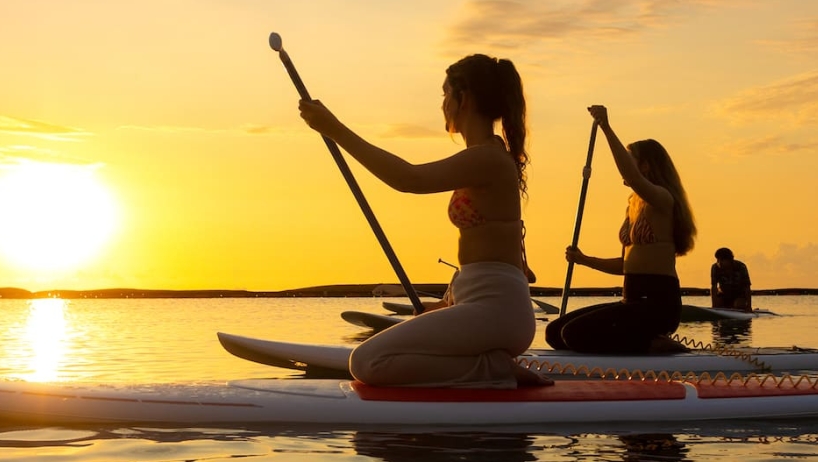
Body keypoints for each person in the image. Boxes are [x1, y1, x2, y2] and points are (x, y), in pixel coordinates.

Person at [297, 54, 550, 388]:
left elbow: (409, 179)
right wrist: (446, 305)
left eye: (446, 94)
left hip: (499, 311)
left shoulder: (487, 157)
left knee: (366, 361)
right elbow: (482, 257)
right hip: (481, 303)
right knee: (370, 358)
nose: (443, 104)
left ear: (466, 98)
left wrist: (335, 130)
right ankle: (488, 365)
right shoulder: (484, 155)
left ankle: (494, 370)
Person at [547, 105, 697, 355]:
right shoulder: (632, 205)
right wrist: (584, 260)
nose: (625, 167)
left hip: (658, 305)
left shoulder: (661, 198)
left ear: (646, 166)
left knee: (573, 334)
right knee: (555, 333)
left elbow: (634, 177)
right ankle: (643, 341)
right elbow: (625, 265)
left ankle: (652, 344)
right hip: (632, 300)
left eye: (631, 159)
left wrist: (605, 127)